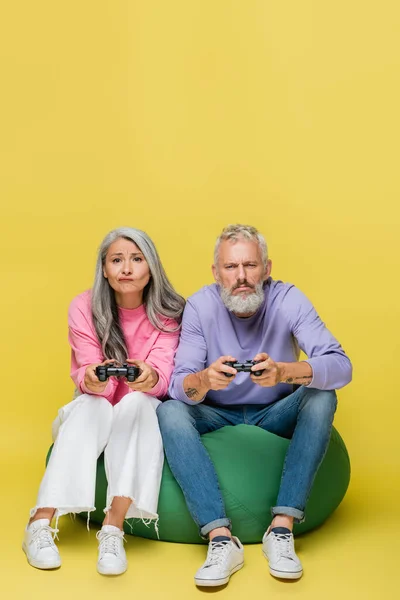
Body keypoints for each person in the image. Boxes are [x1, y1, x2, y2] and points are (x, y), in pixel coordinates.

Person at [157, 223, 352, 587]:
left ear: (267, 268)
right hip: (216, 411)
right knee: (168, 410)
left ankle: (281, 528)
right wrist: (203, 380)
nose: (241, 277)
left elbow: (341, 366)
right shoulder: (200, 305)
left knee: (323, 394)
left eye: (250, 265)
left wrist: (285, 371)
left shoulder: (289, 298)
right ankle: (219, 537)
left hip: (274, 410)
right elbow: (177, 383)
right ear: (216, 272)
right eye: (231, 268)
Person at [23, 227, 185, 575]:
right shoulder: (84, 307)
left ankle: (113, 528)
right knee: (95, 405)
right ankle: (39, 523)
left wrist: (149, 376)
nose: (126, 268)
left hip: (140, 412)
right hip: (92, 409)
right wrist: (98, 377)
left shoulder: (170, 312)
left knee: (137, 403)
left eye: (136, 259)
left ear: (151, 267)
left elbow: (164, 375)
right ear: (105, 269)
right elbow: (84, 372)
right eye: (117, 260)